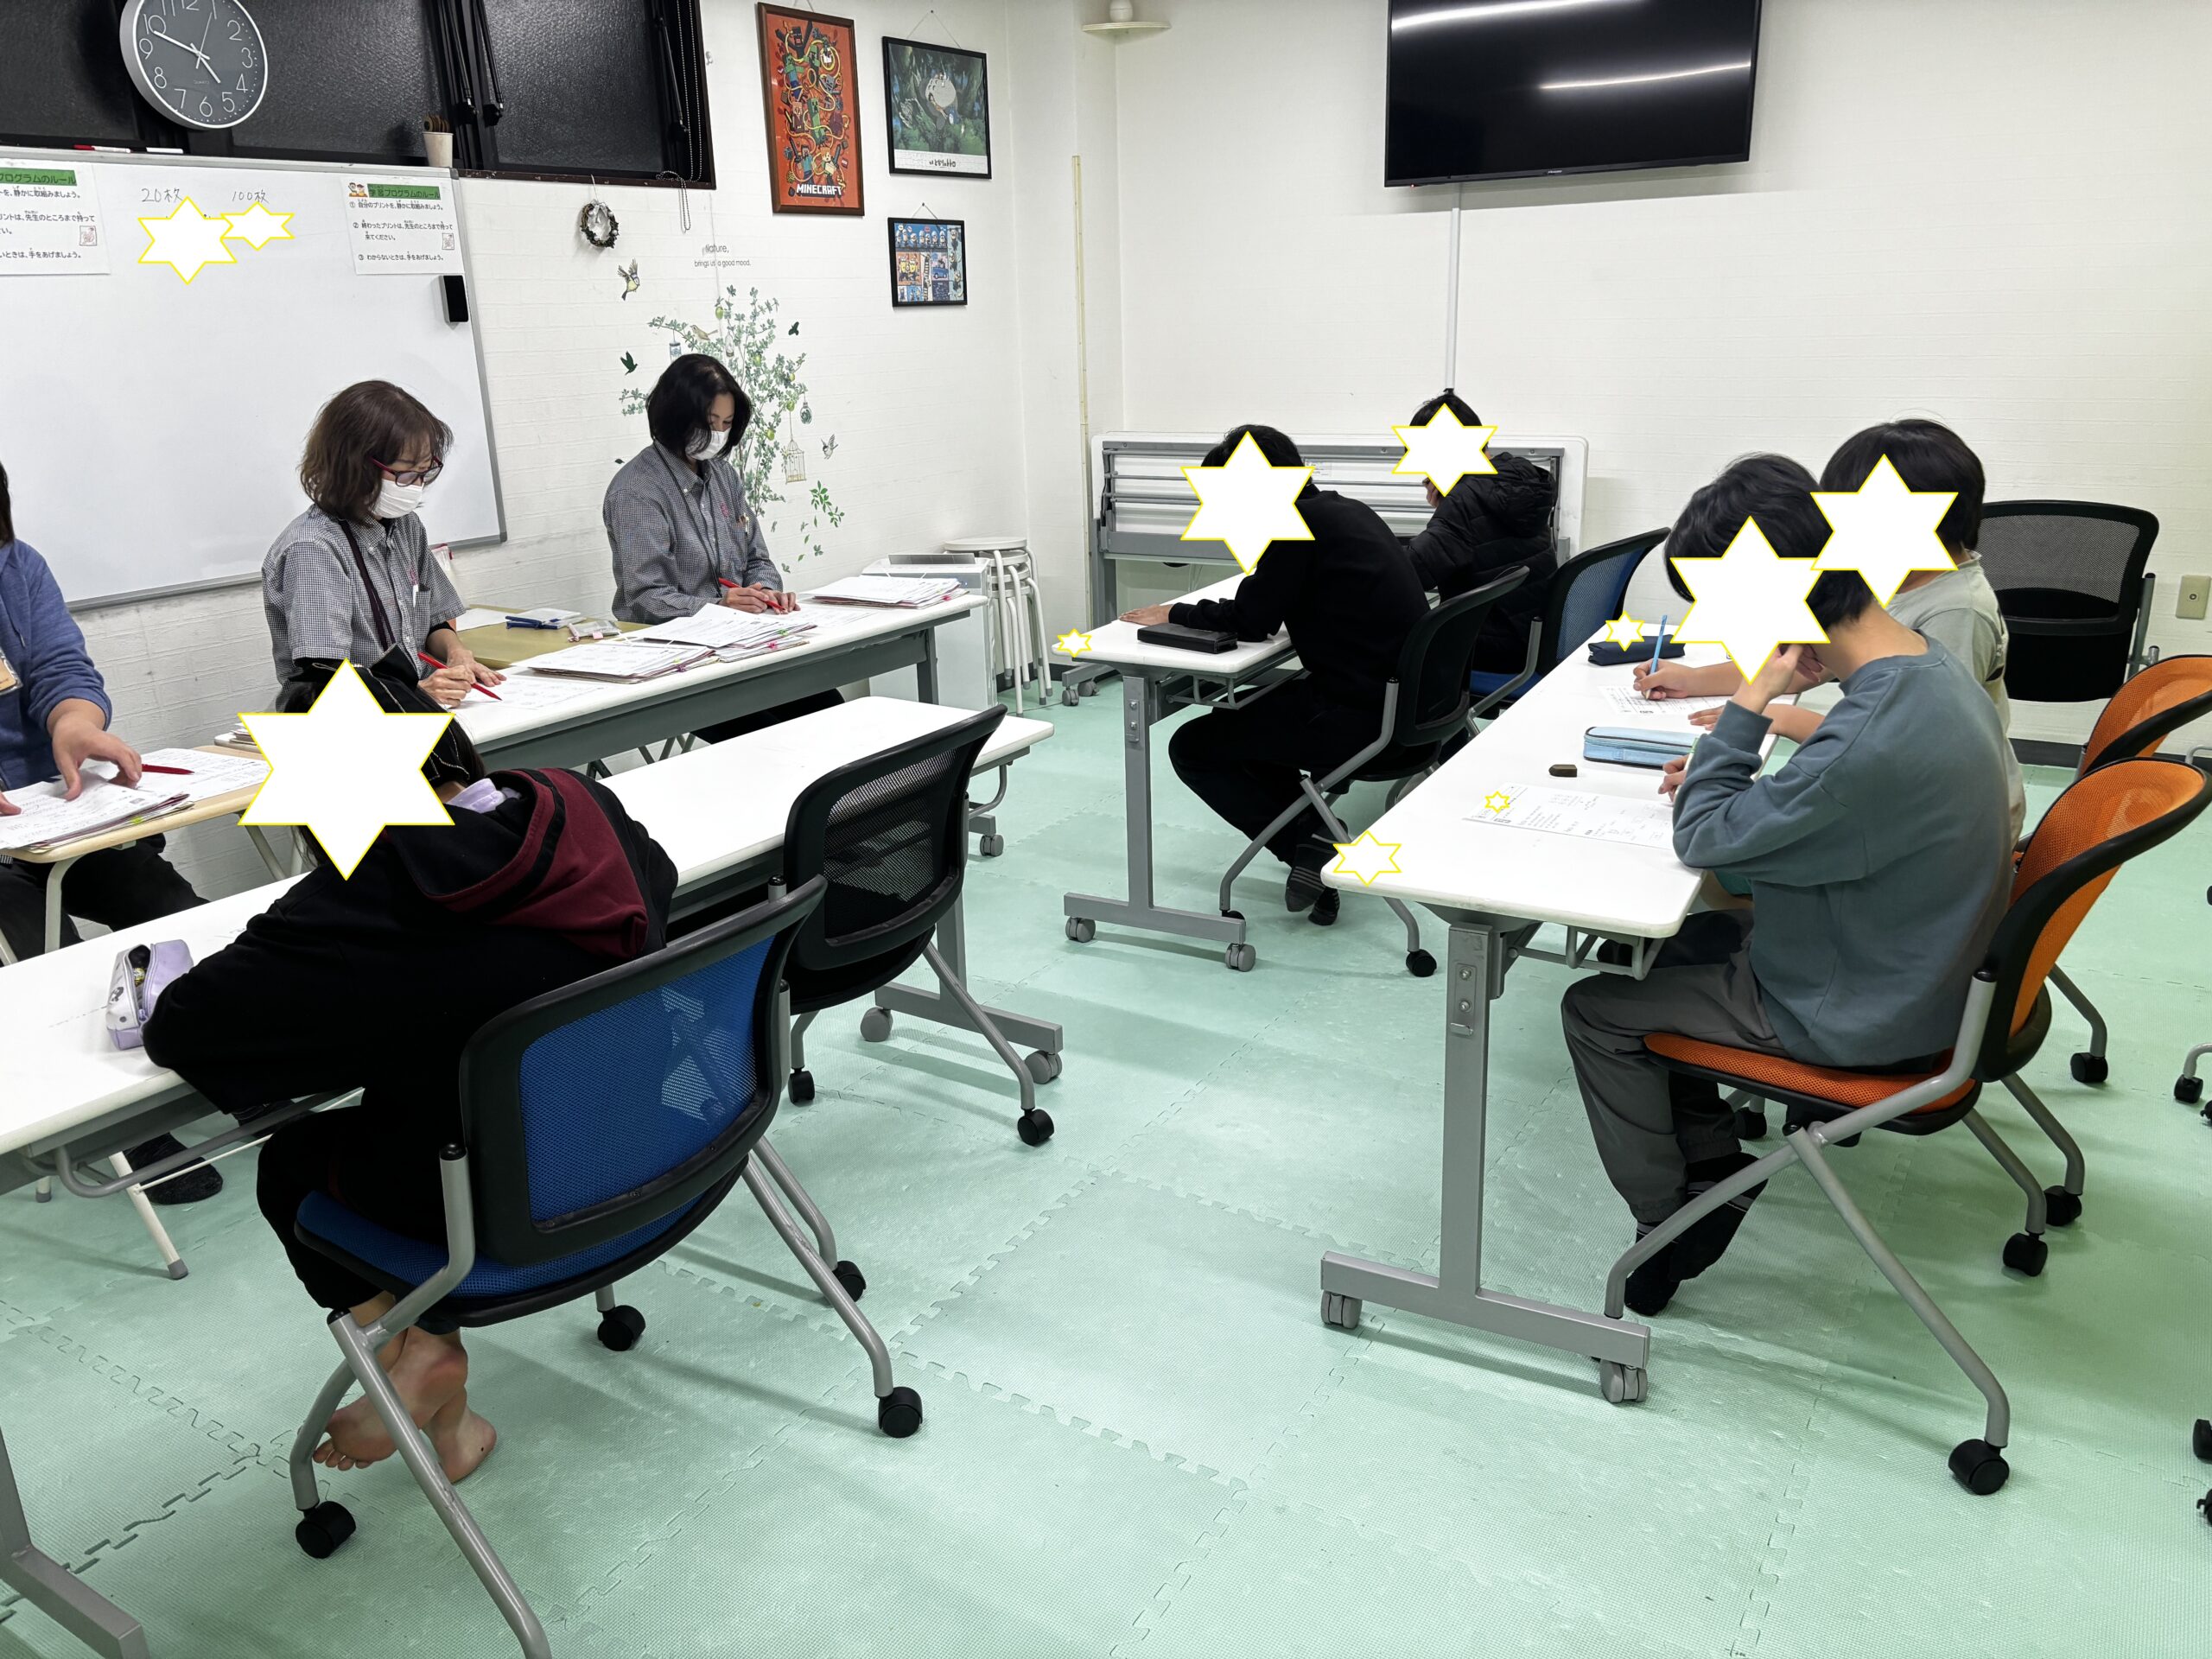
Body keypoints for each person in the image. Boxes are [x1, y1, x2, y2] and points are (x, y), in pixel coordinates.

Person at [143, 660, 677, 1483]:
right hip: (651, 1143)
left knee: (293, 1162)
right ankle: (450, 1417)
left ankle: (420, 1348)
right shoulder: (577, 802)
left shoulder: (366, 897)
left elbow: (184, 1026)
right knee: (436, 1086)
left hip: (510, 1201)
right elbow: (662, 885)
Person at [1560, 456, 2012, 1316]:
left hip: (1865, 1009)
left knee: (1595, 1008)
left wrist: (1752, 698)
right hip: (1919, 960)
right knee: (1677, 943)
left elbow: (1704, 838)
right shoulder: (1926, 666)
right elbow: (1805, 818)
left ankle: (1667, 1221)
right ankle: (1713, 1167)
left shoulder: (1868, 734)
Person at [0, 460, 219, 1203]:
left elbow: (60, 665)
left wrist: (74, 721)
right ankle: (122, 1126)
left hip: (47, 806)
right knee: (46, 954)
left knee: (171, 909)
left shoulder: (17, 567)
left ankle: (228, 1063)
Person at [1637, 420, 2024, 839]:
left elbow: (1915, 743)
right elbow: (1801, 666)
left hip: (1947, 816)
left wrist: (1770, 720)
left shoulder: (1957, 610)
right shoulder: (1878, 584)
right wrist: (1697, 682)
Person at [1118, 424, 1429, 925]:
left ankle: (1309, 842)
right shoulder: (1345, 510)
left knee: (1194, 746)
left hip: (1361, 717)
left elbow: (1252, 619)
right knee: (1250, 726)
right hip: (1411, 711)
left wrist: (1174, 612)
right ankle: (1312, 840)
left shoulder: (1294, 529)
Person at [604, 353, 841, 742]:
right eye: (709, 422)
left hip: (741, 645)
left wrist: (764, 593)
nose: (717, 434)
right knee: (771, 738)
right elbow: (646, 598)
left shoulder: (723, 475)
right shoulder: (638, 492)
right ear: (675, 417)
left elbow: (757, 558)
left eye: (727, 424)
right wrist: (719, 606)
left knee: (829, 707)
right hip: (676, 660)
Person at [262, 381, 501, 708]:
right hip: (348, 720)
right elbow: (324, 676)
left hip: (417, 708)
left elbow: (433, 620)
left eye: (423, 472)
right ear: (354, 465)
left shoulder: (406, 526)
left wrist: (456, 653)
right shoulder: (314, 548)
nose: (416, 487)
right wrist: (418, 694)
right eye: (405, 474)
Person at [1400, 391, 1557, 674]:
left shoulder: (1466, 498)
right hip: (1534, 637)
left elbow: (1411, 573)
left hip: (1492, 648)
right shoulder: (1516, 481)